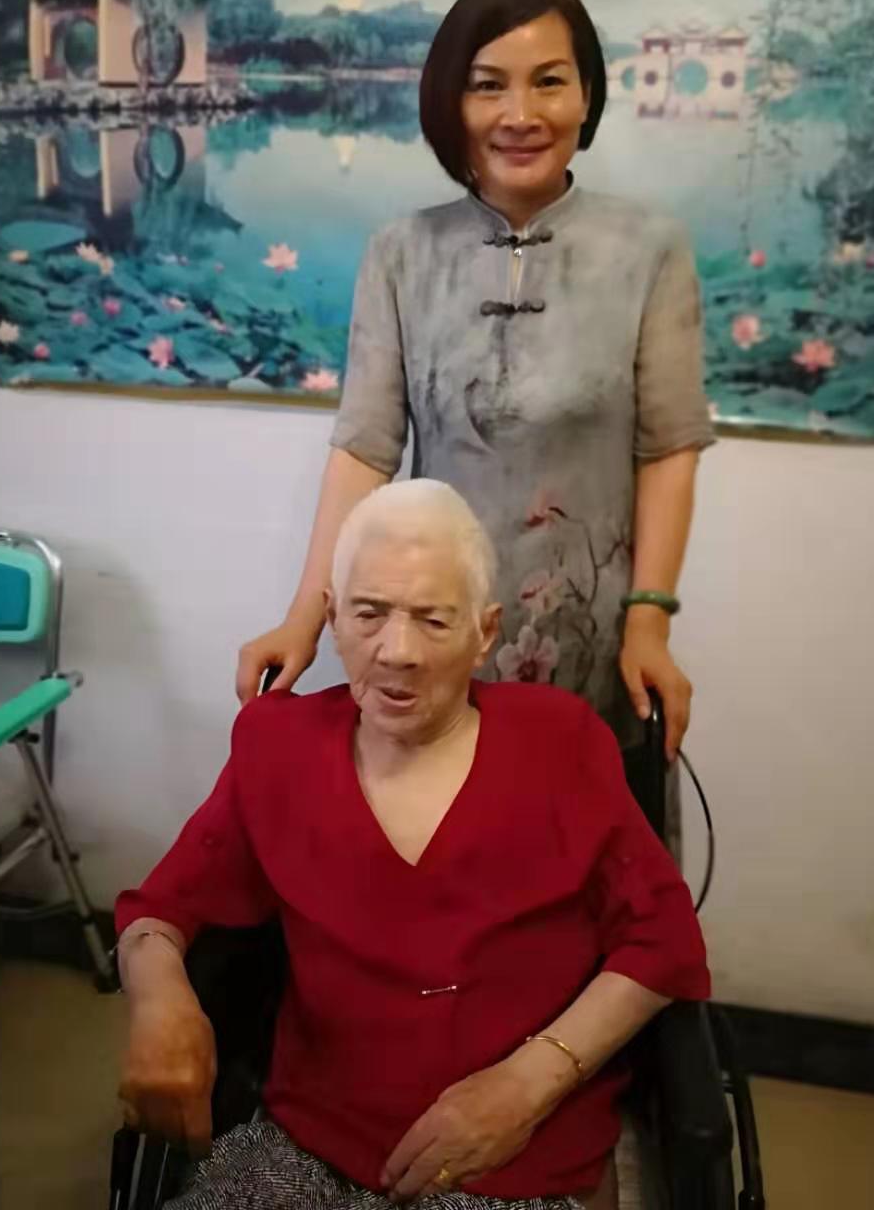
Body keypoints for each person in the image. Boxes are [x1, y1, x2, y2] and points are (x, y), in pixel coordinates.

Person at [118, 481, 709, 1210]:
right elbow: (160, 910)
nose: (397, 652)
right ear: (332, 617)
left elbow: (663, 941)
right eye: (369, 614)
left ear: (485, 632)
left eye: (433, 620)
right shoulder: (277, 745)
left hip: (517, 1157)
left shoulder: (560, 743)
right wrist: (160, 1000)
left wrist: (527, 1085)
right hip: (308, 1144)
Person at [237, 0, 713, 766]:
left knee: (575, 826)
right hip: (429, 635)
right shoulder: (401, 253)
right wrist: (304, 619)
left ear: (587, 95)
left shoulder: (648, 250)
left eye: (549, 81)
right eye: (488, 85)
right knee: (434, 826)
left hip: (592, 644)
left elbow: (668, 449)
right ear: (451, 104)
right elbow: (363, 452)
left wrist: (649, 621)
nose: (521, 115)